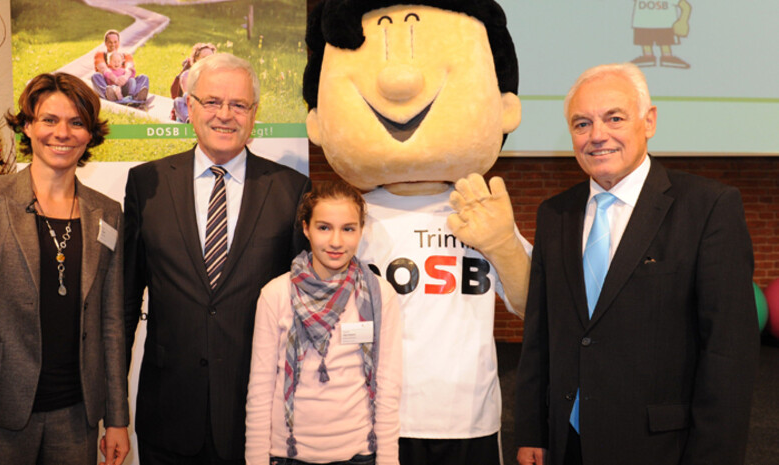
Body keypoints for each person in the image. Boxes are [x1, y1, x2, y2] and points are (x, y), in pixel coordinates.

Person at [302, 1, 530, 463]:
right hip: (370, 418)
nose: (399, 81)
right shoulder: (348, 221)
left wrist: (502, 243)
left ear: (505, 108)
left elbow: (532, 304)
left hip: (468, 421)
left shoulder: (481, 211)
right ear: (318, 123)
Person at [514, 63, 759, 465]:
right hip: (565, 445)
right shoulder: (554, 215)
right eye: (581, 124)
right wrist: (531, 431)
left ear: (649, 121)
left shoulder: (708, 207)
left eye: (614, 118)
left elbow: (729, 352)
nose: (597, 136)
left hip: (661, 448)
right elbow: (540, 337)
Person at [0, 72, 130, 465]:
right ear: (28, 126)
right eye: (49, 120)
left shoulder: (107, 213)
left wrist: (117, 419)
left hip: (77, 417)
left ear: (90, 135)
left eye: (77, 122)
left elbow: (110, 324)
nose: (63, 133)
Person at [124, 52, 311, 464]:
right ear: (189, 106)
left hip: (258, 420)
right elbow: (122, 307)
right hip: (168, 414)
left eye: (238, 105)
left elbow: (303, 312)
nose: (225, 115)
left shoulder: (291, 191)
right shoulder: (145, 184)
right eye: (212, 102)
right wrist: (114, 408)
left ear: (254, 113)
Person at [245, 180, 402, 465]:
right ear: (306, 228)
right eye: (324, 227)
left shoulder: (380, 295)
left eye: (348, 229)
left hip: (359, 454)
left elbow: (388, 384)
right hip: (288, 454)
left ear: (361, 231)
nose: (336, 242)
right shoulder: (276, 294)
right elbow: (260, 388)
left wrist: (389, 459)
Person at [92, 29, 149, 102]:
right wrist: (115, 79)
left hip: (125, 85)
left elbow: (130, 67)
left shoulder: (126, 55)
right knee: (95, 76)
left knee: (143, 77)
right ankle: (109, 95)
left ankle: (137, 97)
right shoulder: (100, 55)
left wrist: (125, 77)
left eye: (115, 42)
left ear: (118, 42)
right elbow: (103, 69)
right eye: (110, 42)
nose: (113, 45)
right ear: (106, 43)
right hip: (109, 86)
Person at [171, 42, 217, 122]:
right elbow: (188, 98)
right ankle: (189, 120)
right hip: (193, 109)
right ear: (196, 60)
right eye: (204, 57)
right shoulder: (187, 75)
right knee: (178, 102)